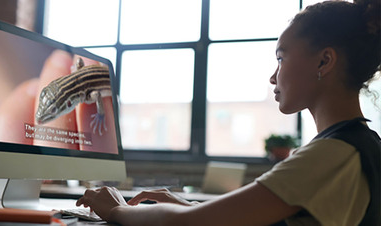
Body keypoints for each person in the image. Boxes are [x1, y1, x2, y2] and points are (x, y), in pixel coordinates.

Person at [76, 0, 381, 225]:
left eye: (281, 58)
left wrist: (118, 210)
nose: (274, 77)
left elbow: (188, 225)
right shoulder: (360, 146)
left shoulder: (331, 155)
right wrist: (188, 205)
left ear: (324, 62)